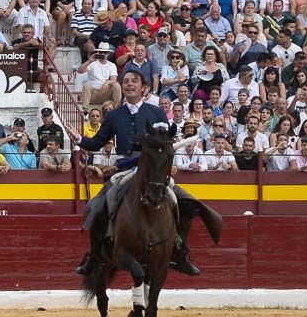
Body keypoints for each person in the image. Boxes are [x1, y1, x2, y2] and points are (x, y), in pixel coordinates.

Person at [68, 70, 219, 277]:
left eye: (134, 81)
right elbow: (97, 143)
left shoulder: (156, 113)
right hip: (124, 171)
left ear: (144, 87)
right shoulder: (113, 115)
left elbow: (164, 145)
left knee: (182, 202)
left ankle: (180, 252)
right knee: (98, 204)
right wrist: (79, 140)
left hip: (154, 172)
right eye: (126, 81)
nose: (130, 85)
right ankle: (95, 255)